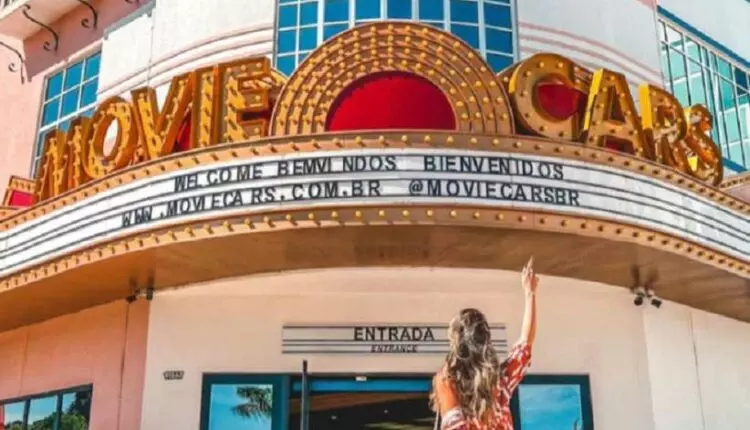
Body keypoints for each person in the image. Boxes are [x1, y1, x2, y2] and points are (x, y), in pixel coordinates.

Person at [431, 257, 539, 430]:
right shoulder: (500, 381)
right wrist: (530, 293)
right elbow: (525, 343)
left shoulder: (447, 380)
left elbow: (455, 425)